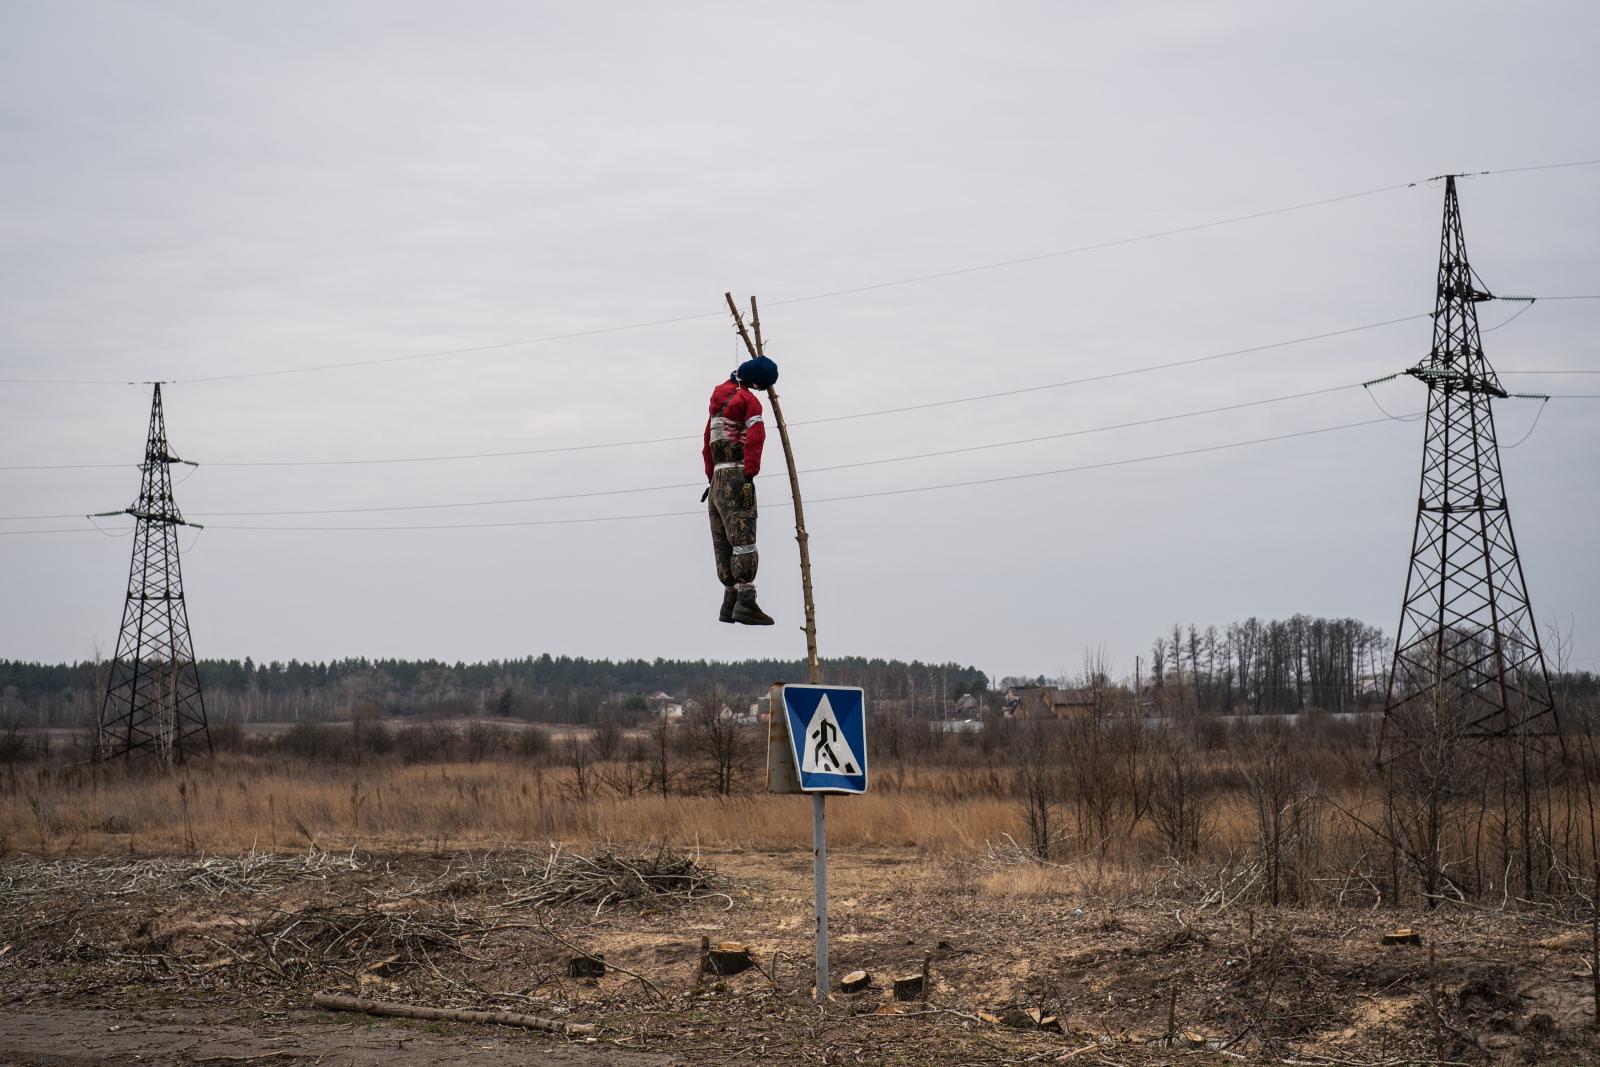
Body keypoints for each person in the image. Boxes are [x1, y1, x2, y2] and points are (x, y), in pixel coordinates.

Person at [703, 356, 779, 625]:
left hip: (716, 480)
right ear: (757, 382)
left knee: (723, 542)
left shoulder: (717, 401)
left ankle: (730, 600)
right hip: (736, 475)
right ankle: (746, 601)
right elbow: (756, 437)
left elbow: (706, 444)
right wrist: (750, 474)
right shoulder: (748, 401)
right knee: (743, 537)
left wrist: (710, 476)